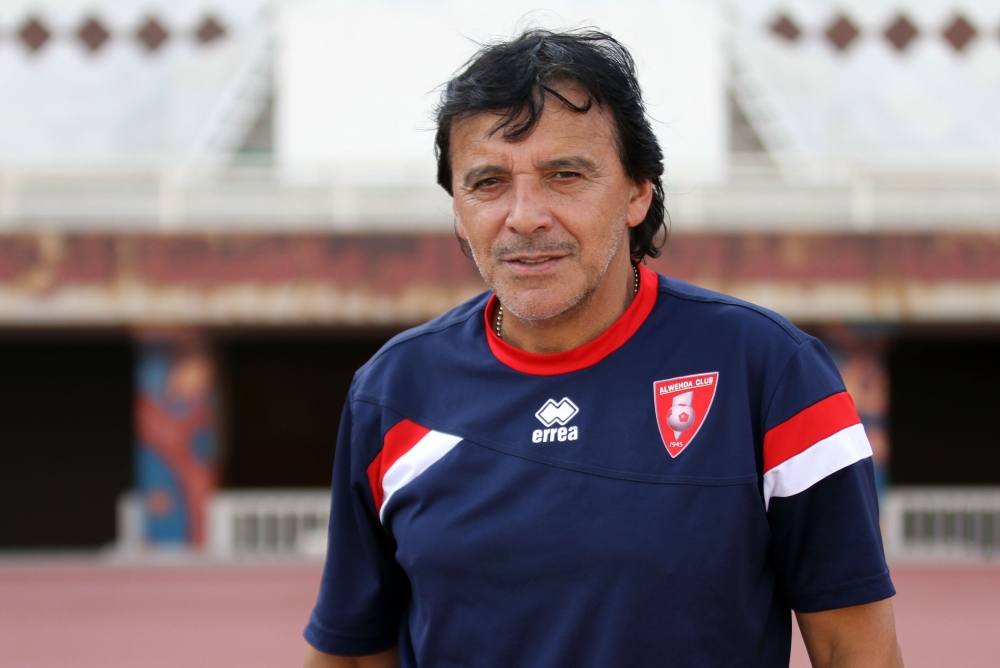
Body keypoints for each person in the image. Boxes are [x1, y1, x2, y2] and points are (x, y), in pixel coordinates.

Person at [304, 29, 902, 668]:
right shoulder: (392, 392)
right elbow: (354, 653)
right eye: (488, 183)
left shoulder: (772, 370)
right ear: (457, 209)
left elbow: (853, 650)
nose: (525, 216)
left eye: (565, 175)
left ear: (637, 193)